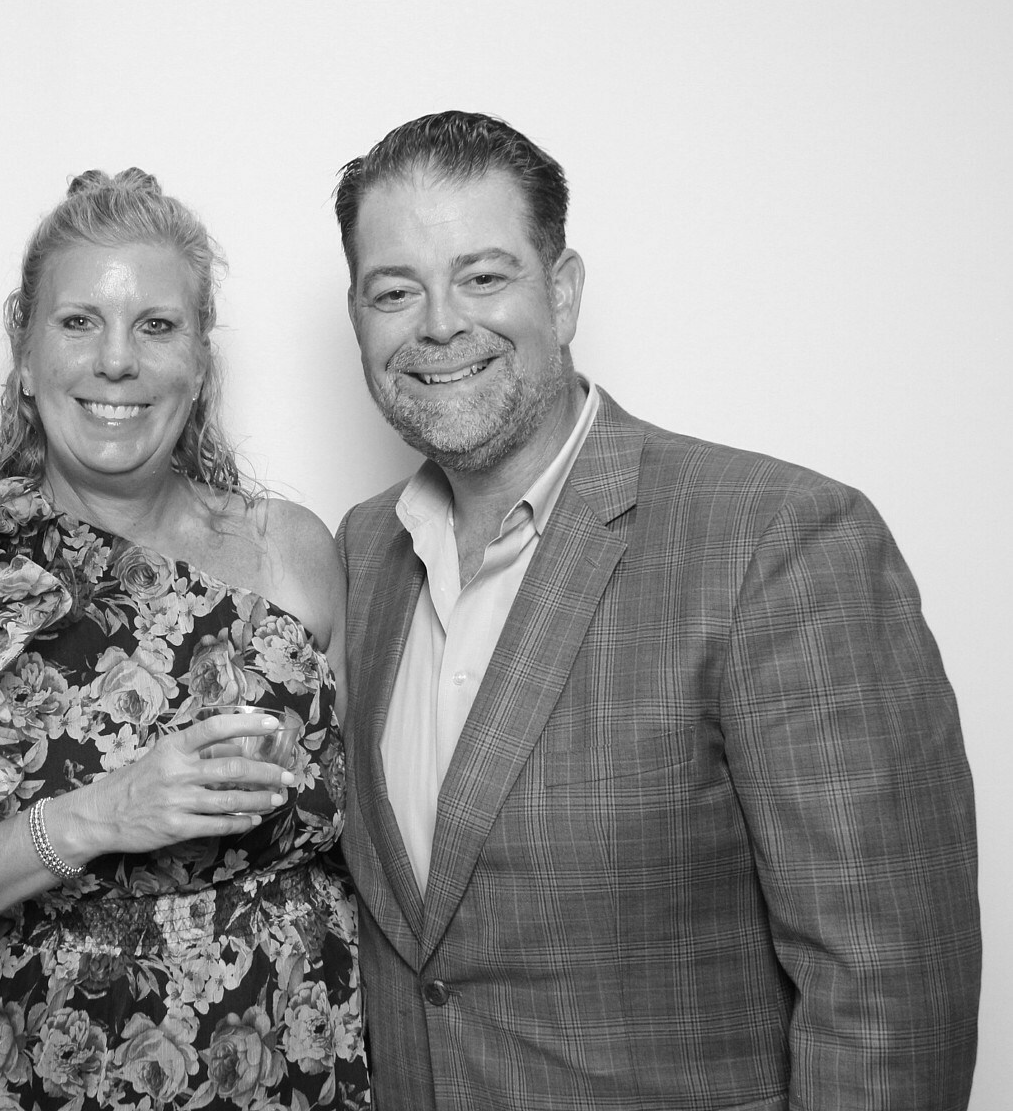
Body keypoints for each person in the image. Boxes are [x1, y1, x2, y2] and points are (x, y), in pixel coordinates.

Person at [332, 110, 979, 1109]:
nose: (439, 324)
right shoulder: (362, 551)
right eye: (394, 290)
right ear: (357, 317)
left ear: (562, 291)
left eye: (483, 276)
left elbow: (886, 995)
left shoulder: (778, 541)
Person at [0, 170, 371, 1111]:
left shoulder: (293, 550)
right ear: (26, 352)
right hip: (71, 1073)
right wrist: (97, 818)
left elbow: (365, 840)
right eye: (79, 322)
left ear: (199, 360)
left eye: (155, 326)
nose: (116, 361)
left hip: (307, 1060)